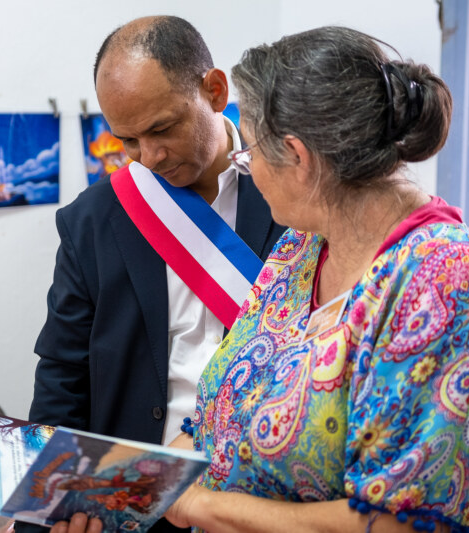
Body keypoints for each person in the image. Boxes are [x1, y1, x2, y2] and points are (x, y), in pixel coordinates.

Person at [162, 26, 469, 533]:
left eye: (248, 154)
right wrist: (131, 482)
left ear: (298, 157)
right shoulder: (303, 245)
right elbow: (220, 414)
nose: (246, 169)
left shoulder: (443, 280)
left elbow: (401, 524)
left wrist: (200, 507)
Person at [22, 15, 285, 533]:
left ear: (214, 90)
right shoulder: (92, 221)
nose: (150, 157)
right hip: (135, 500)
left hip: (264, 493)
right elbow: (62, 373)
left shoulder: (291, 194)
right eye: (128, 141)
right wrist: (42, 511)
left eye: (162, 129)